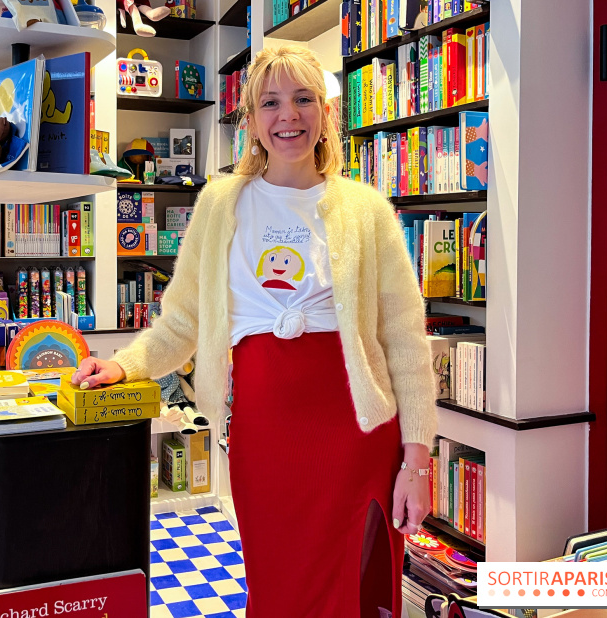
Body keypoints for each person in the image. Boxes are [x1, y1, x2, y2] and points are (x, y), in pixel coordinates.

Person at [73, 45, 437, 618]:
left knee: (354, 592)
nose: (287, 115)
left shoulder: (367, 211)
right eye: (270, 102)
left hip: (357, 438)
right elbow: (184, 321)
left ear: (325, 114)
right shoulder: (219, 204)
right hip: (263, 439)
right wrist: (126, 364)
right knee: (277, 589)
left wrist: (417, 465)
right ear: (250, 121)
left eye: (303, 99)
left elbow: (406, 346)